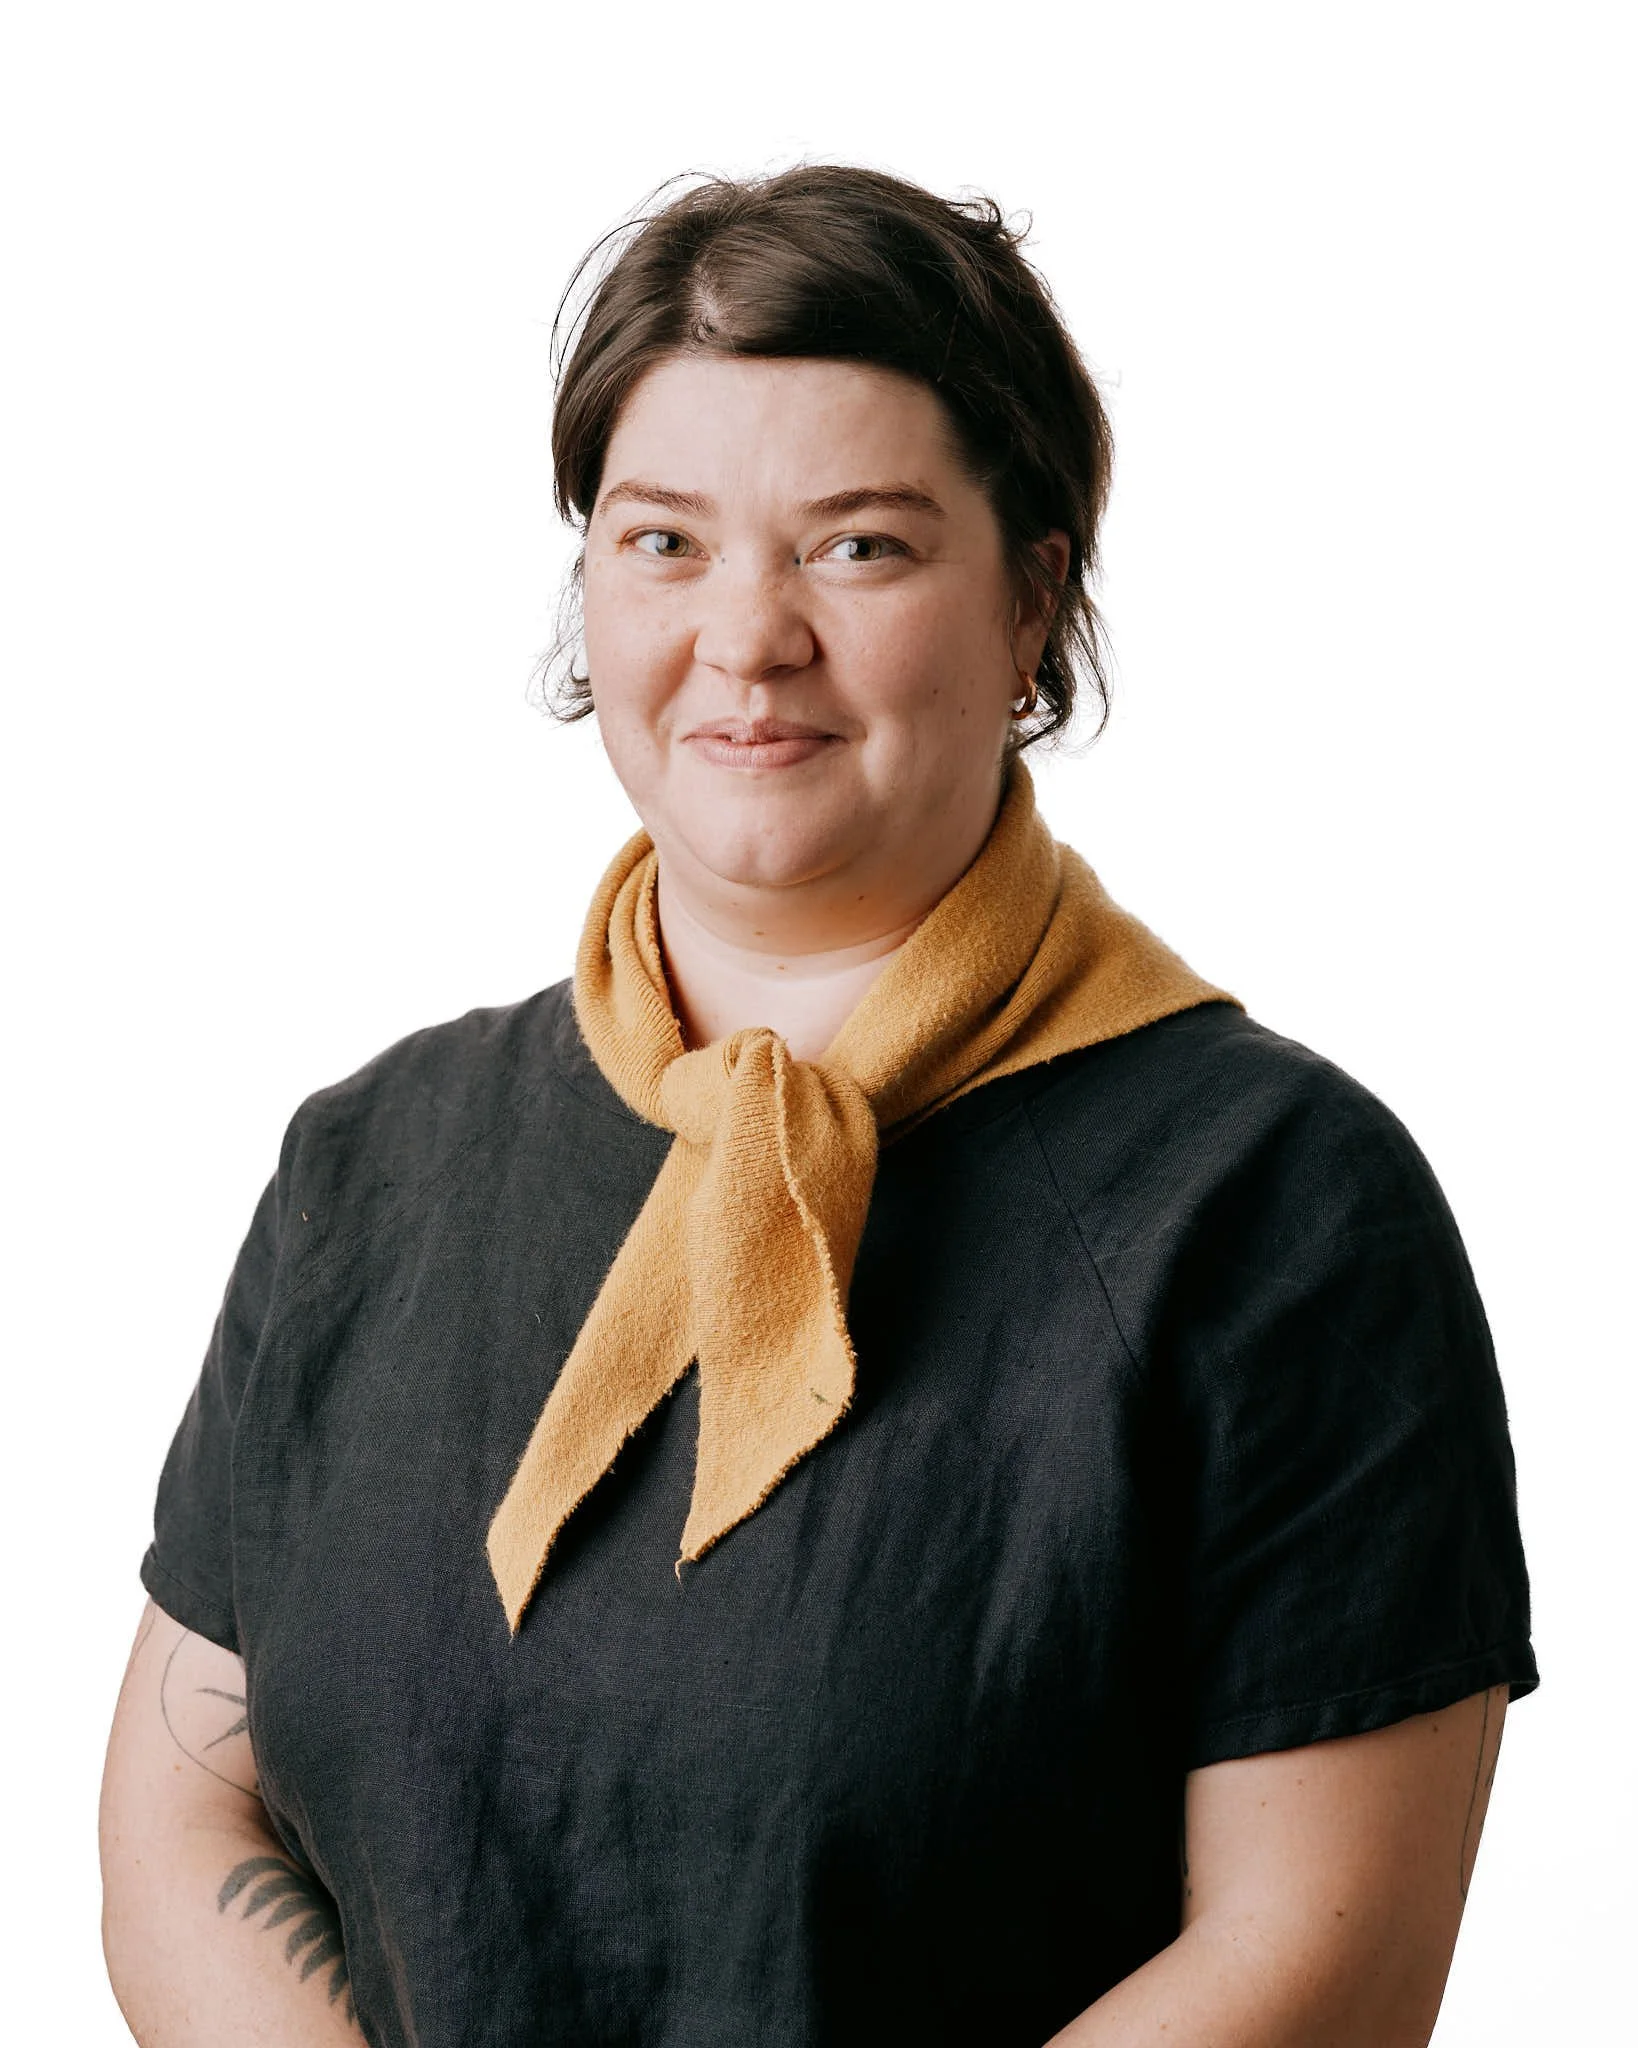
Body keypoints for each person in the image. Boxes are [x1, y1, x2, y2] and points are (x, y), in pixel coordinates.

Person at [99, 163, 1537, 2048]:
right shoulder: (368, 1165)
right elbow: (182, 1813)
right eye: (663, 542)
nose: (748, 635)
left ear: (1032, 603)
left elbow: (1316, 1961)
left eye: (857, 547)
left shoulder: (1273, 1204)